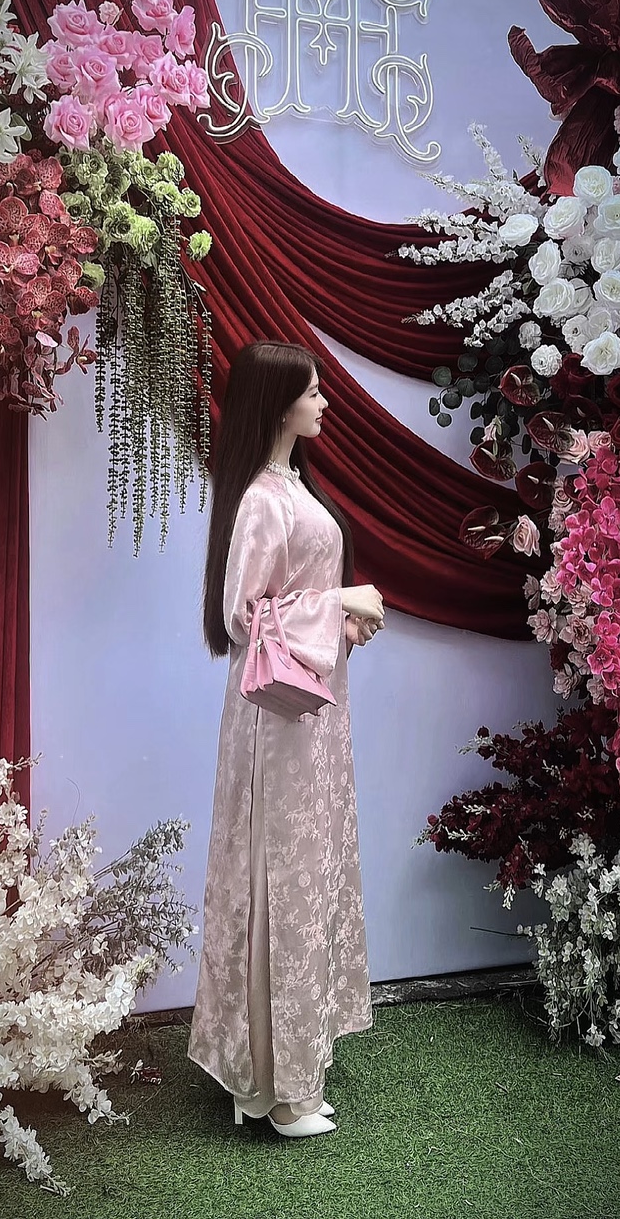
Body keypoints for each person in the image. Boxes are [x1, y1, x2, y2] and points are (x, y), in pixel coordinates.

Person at [187, 340, 384, 1139]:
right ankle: (277, 1087)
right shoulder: (264, 500)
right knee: (282, 873)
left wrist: (340, 618)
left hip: (311, 714)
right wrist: (341, 600)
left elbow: (283, 606)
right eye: (312, 392)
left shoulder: (292, 486)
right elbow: (244, 616)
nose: (324, 402)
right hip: (279, 723)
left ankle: (282, 1073)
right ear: (278, 405)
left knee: (304, 869)